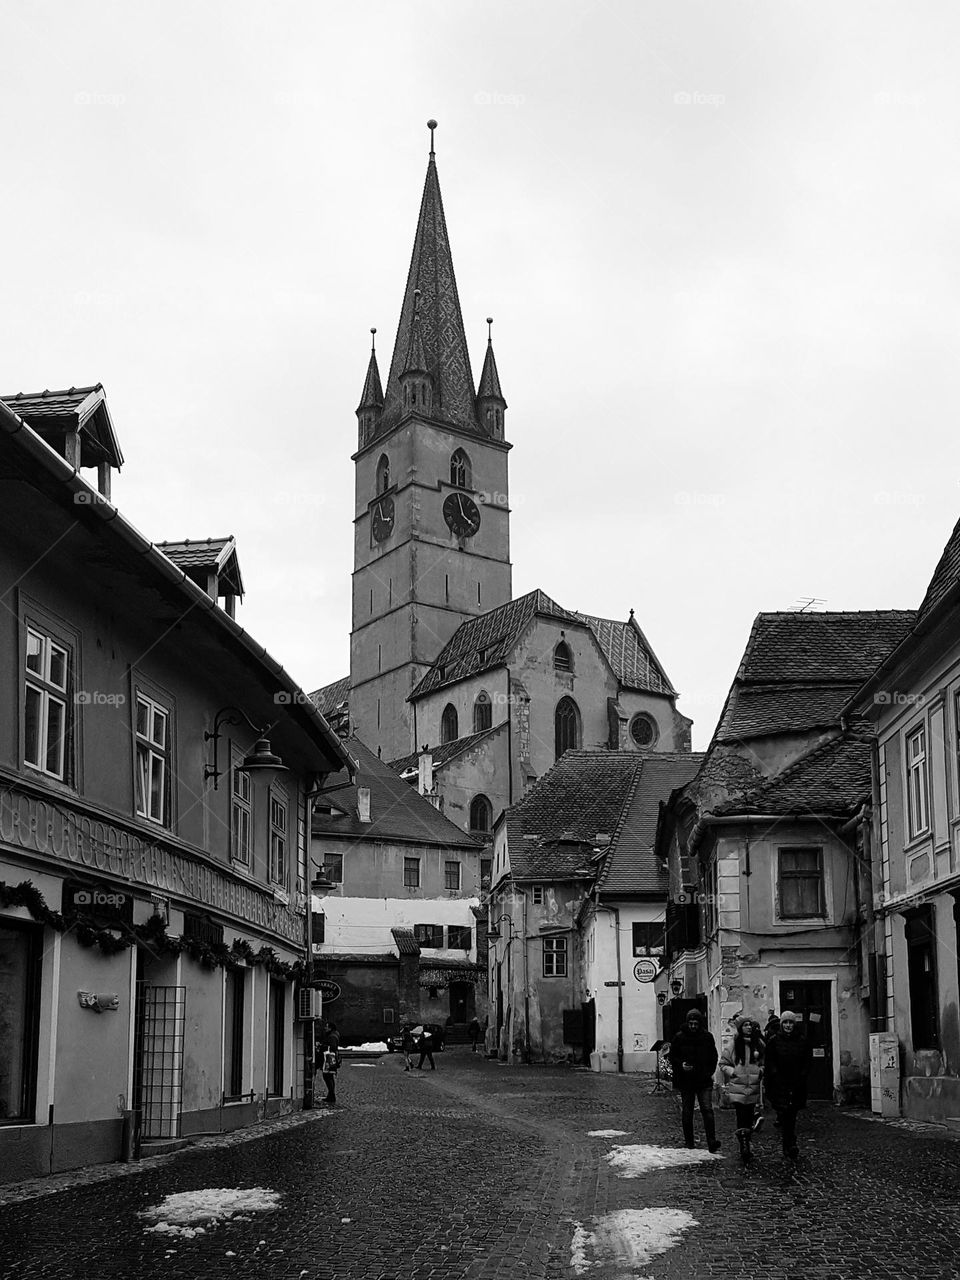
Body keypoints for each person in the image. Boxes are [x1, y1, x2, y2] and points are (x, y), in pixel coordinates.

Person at [669, 1009, 720, 1152]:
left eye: (695, 1023)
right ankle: (689, 1141)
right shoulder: (679, 1037)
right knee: (687, 1111)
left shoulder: (707, 1037)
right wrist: (681, 1065)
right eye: (690, 1023)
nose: (693, 1026)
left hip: (703, 1080)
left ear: (699, 1023)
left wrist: (709, 1072)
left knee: (707, 1110)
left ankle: (711, 1140)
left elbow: (713, 1056)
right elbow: (673, 1057)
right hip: (686, 1081)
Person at [763, 1010, 812, 1159]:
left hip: (796, 1083)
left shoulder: (802, 1040)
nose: (788, 1025)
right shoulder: (774, 1040)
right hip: (780, 1083)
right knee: (784, 1114)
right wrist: (775, 1075)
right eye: (785, 1023)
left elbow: (807, 1061)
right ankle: (788, 1143)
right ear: (781, 1024)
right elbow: (769, 1061)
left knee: (792, 1113)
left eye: (791, 1022)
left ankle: (791, 1142)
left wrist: (802, 1075)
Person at [720, 1016, 765, 1163]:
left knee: (749, 1115)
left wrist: (761, 1071)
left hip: (752, 1087)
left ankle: (748, 1142)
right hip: (738, 1087)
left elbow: (765, 1061)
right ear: (740, 1028)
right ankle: (744, 1146)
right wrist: (732, 1072)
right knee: (741, 1117)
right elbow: (723, 1063)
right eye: (745, 1025)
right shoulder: (734, 1045)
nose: (749, 1027)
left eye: (750, 1025)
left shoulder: (758, 1044)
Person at [316, 1019, 341, 1106]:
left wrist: (321, 1046)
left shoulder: (332, 1036)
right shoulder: (334, 1034)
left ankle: (331, 1095)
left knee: (327, 1076)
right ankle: (331, 1095)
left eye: (326, 1026)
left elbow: (332, 1047)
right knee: (329, 1076)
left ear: (330, 1028)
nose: (325, 1028)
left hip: (329, 1059)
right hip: (332, 1059)